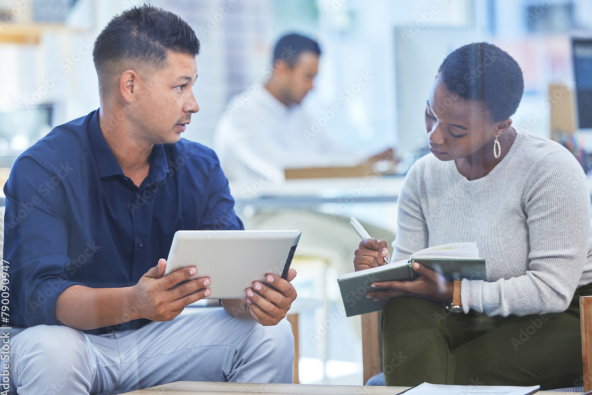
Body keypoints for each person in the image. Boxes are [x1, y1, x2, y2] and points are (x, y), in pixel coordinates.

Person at [4, 6, 298, 394]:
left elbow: (231, 290)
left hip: (157, 340)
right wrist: (133, 303)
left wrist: (256, 301)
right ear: (130, 86)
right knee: (52, 352)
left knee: (268, 337)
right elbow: (35, 297)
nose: (193, 104)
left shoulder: (200, 167)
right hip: (71, 341)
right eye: (180, 87)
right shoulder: (44, 168)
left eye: (193, 86)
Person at [354, 42, 592, 390]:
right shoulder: (422, 176)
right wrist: (380, 272)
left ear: (500, 126)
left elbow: (550, 291)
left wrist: (454, 292)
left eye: (456, 130)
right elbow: (411, 275)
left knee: (434, 375)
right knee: (404, 308)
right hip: (464, 316)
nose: (434, 136)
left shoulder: (549, 170)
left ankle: (412, 383)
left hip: (557, 316)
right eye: (430, 114)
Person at [214, 33, 396, 183]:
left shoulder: (296, 112)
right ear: (282, 69)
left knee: (374, 229)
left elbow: (329, 149)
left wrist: (365, 161)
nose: (312, 87)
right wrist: (354, 165)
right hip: (263, 218)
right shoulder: (242, 116)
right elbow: (281, 166)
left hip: (300, 210)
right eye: (308, 76)